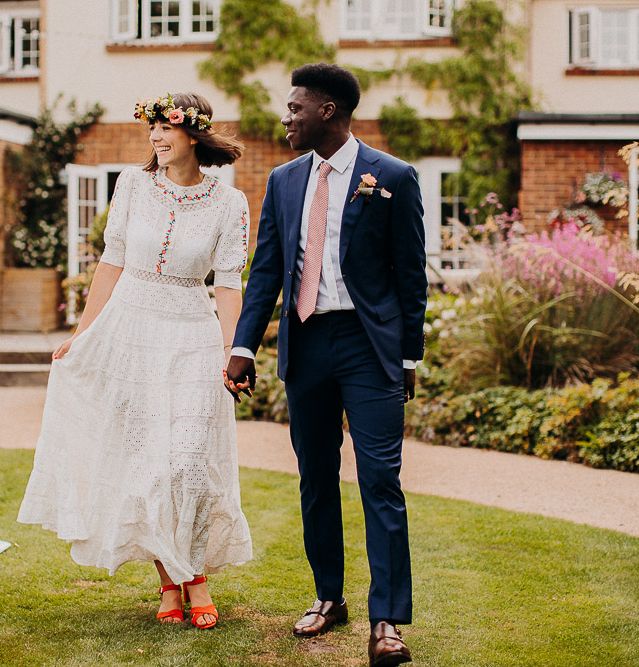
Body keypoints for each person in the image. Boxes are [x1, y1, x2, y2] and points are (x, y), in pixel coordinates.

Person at [18, 92, 253, 629]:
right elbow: (112, 262)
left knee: (188, 461)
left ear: (193, 134)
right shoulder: (131, 184)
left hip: (192, 332)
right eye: (152, 130)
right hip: (131, 329)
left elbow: (228, 283)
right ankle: (173, 582)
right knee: (147, 460)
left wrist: (228, 349)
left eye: (165, 130)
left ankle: (193, 573)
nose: (156, 139)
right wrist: (82, 335)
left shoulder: (228, 202)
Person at [225, 63, 427, 666]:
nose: (286, 118)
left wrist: (409, 354)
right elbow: (265, 271)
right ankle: (328, 597)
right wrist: (242, 346)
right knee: (316, 477)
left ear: (329, 111)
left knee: (380, 482)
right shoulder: (284, 181)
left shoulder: (392, 176)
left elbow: (411, 277)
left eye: (295, 108)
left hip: (370, 348)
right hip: (307, 344)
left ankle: (386, 620)